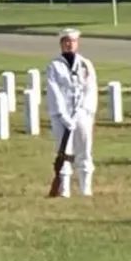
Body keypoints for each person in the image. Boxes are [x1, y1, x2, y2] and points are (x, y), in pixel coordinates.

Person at [46, 28, 98, 197]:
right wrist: (63, 115)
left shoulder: (85, 64)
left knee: (84, 149)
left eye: (73, 41)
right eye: (66, 41)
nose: (69, 44)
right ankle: (64, 189)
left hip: (82, 114)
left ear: (77, 43)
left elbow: (91, 89)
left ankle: (86, 188)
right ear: (61, 43)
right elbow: (54, 91)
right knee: (64, 152)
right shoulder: (54, 66)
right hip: (61, 115)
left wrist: (84, 110)